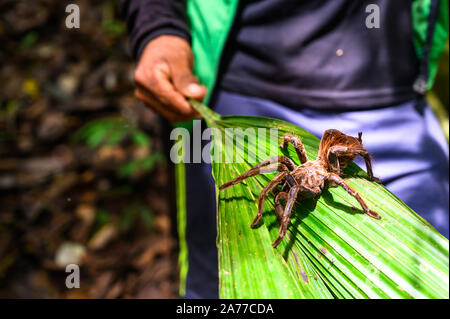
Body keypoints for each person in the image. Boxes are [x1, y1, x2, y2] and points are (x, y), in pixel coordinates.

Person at [122, 0, 449, 298]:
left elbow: (339, 181)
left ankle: (327, 215)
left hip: (396, 95)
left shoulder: (330, 170)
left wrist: (362, 199)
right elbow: (284, 169)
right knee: (219, 281)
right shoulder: (292, 173)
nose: (299, 184)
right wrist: (158, 28)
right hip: (238, 89)